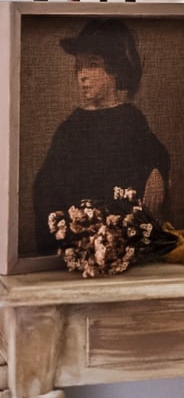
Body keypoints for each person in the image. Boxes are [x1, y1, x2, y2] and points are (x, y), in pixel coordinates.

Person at [33, 18, 170, 254]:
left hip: (121, 240)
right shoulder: (70, 128)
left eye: (93, 65)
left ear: (116, 71)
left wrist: (156, 170)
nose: (82, 76)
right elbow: (45, 188)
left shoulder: (130, 119)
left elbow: (153, 153)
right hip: (80, 241)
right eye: (79, 67)